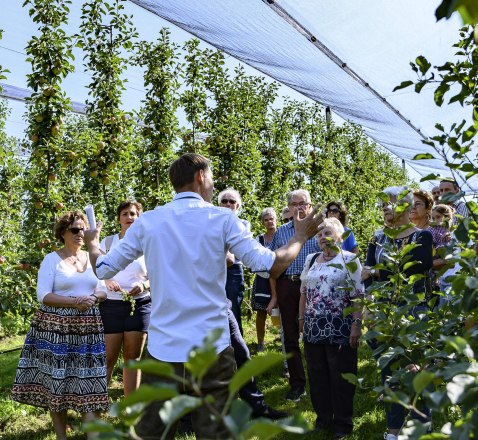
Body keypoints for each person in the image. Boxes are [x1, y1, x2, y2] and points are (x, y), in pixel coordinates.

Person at [83, 153, 323, 439]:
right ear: (200, 177)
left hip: (163, 351)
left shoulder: (148, 222)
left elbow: (103, 267)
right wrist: (299, 237)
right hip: (211, 350)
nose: (212, 185)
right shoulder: (222, 219)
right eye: (211, 178)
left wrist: (93, 244)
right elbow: (272, 264)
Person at [11, 211, 109, 440]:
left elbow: (103, 288)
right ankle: (60, 437)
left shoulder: (93, 256)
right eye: (75, 230)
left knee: (90, 382)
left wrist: (93, 299)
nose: (80, 234)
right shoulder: (51, 259)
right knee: (58, 384)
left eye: (83, 229)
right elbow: (43, 295)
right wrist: (75, 302)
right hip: (57, 330)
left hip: (88, 330)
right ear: (63, 233)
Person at [361, 187, 434, 440]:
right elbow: (366, 276)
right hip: (382, 312)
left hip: (413, 312)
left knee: (415, 371)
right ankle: (393, 430)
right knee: (388, 372)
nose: (384, 208)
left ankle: (421, 427)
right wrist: (370, 304)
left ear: (404, 207)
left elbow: (415, 269)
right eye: (382, 204)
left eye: (389, 203)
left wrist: (377, 272)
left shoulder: (422, 237)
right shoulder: (376, 238)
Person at [299, 218, 363, 438]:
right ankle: (323, 419)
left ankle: (343, 424)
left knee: (341, 376)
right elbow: (304, 292)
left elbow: (357, 295)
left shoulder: (350, 259)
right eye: (319, 235)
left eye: (327, 233)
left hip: (340, 325)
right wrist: (301, 320)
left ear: (339, 236)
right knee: (317, 375)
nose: (322, 237)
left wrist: (356, 324)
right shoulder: (310, 259)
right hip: (313, 325)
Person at [269, 189, 321, 402]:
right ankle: (297, 384)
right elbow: (272, 265)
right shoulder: (281, 232)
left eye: (304, 203)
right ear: (289, 207)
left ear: (310, 206)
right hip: (288, 285)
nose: (300, 207)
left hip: (313, 287)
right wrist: (274, 295)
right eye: (295, 203)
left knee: (314, 333)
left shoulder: (319, 230)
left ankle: (318, 381)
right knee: (289, 335)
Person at [98, 200, 151, 397]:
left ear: (139, 218)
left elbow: (158, 273)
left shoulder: (147, 243)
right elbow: (97, 269)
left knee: (132, 357)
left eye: (133, 214)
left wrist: (144, 285)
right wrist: (108, 280)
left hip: (139, 304)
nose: (129, 217)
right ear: (118, 219)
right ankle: (97, 405)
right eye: (125, 214)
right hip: (111, 304)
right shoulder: (109, 243)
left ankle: (131, 406)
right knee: (108, 356)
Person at [219, 188, 249, 335]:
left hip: (234, 271)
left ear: (238, 206)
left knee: (233, 309)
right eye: (224, 201)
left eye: (232, 201)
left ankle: (238, 349)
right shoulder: (214, 223)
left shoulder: (243, 224)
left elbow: (235, 252)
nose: (228, 204)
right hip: (215, 270)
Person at [252, 208, 278, 352]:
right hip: (262, 278)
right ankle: (260, 342)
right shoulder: (259, 239)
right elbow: (256, 258)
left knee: (282, 310)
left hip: (279, 277)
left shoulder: (281, 236)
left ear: (276, 220)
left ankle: (283, 338)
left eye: (271, 219)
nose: (269, 222)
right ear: (263, 223)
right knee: (261, 312)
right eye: (266, 220)